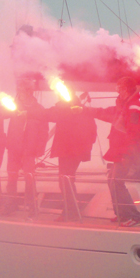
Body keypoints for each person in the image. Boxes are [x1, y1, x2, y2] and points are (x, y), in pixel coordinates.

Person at [86, 76, 140, 227]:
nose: (117, 91)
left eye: (119, 88)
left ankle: (135, 217)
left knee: (117, 181)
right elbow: (105, 113)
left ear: (125, 90)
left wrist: (127, 153)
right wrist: (85, 110)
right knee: (112, 181)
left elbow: (134, 132)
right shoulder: (124, 107)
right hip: (119, 151)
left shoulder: (134, 107)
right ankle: (121, 213)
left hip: (126, 152)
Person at [46, 93, 98, 221]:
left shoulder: (69, 112)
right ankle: (71, 209)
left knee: (65, 181)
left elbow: (91, 133)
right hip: (69, 151)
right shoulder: (76, 112)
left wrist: (82, 147)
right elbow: (93, 133)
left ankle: (70, 211)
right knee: (66, 180)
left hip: (70, 151)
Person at [2, 76, 49, 215]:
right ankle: (10, 205)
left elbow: (44, 131)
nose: (18, 92)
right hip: (13, 149)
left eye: (20, 90)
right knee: (11, 179)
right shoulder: (13, 107)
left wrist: (40, 149)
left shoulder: (39, 109)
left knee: (29, 179)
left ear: (28, 91)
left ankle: (32, 206)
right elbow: (1, 113)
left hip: (29, 150)